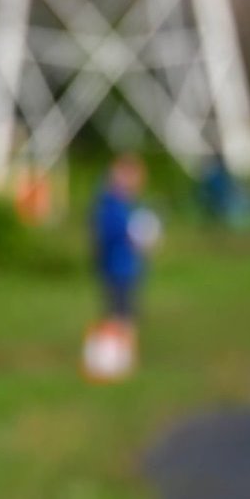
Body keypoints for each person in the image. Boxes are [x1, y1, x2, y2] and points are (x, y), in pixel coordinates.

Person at [89, 153, 159, 375]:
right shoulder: (111, 205)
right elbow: (111, 233)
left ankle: (123, 359)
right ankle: (117, 361)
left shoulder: (126, 204)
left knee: (126, 315)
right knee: (119, 317)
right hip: (116, 268)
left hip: (128, 267)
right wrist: (135, 237)